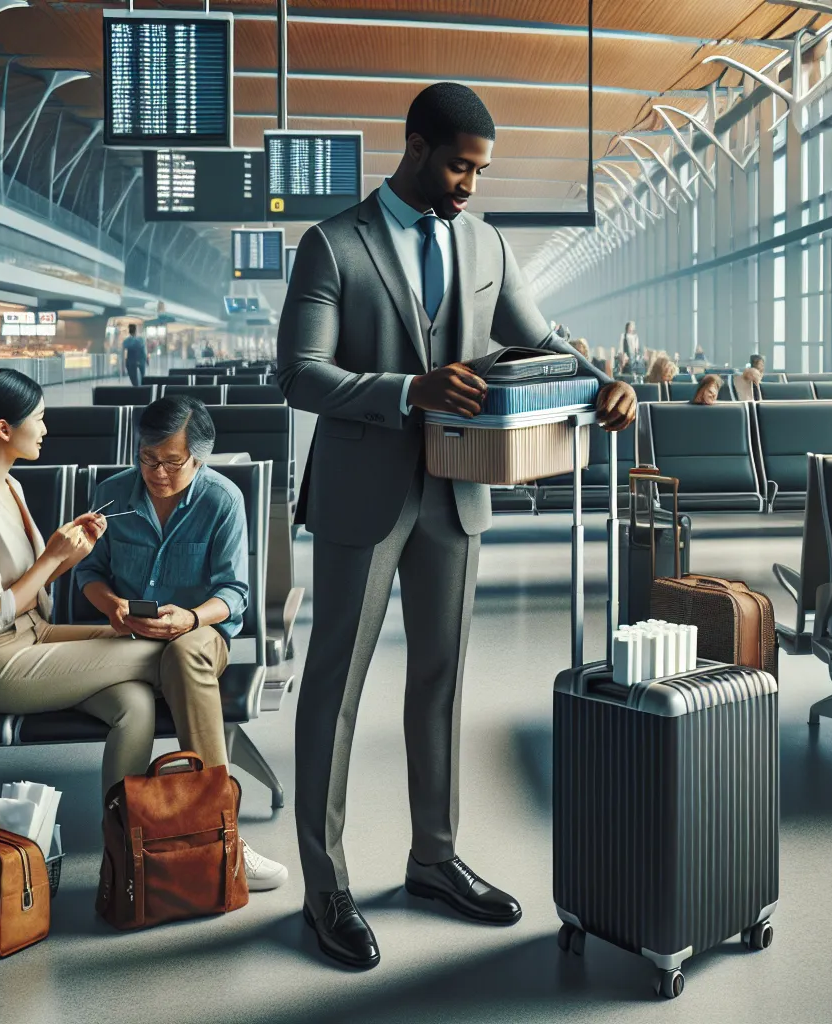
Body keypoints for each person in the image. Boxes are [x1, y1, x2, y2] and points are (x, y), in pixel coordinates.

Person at [277, 82, 637, 971]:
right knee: (337, 686)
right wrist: (408, 392)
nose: (471, 183)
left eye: (480, 169)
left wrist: (600, 387)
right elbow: (301, 373)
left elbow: (538, 337)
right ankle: (326, 886)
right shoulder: (334, 244)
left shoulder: (483, 243)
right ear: (415, 146)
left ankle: (432, 858)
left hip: (456, 493)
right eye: (459, 165)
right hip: (365, 492)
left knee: (439, 681)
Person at [73, 394, 287, 890]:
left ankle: (222, 837)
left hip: (201, 637)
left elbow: (234, 594)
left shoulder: (222, 499)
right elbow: (89, 572)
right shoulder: (112, 494)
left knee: (186, 652)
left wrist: (190, 618)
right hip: (129, 641)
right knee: (151, 684)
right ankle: (131, 842)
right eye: (148, 458)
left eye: (172, 462)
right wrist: (112, 605)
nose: (158, 472)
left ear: (199, 457)